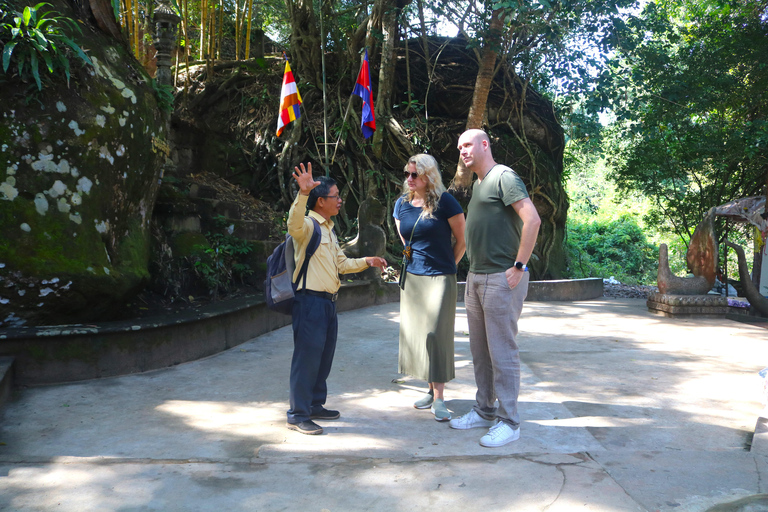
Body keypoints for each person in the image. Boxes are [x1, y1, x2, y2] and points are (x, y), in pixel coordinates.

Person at [448, 129, 541, 447]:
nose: (462, 151)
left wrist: (519, 266)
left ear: (485, 144)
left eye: (468, 144)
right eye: (459, 147)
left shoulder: (504, 177)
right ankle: (485, 410)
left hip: (501, 279)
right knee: (480, 352)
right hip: (476, 278)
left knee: (502, 352)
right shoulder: (477, 184)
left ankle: (509, 421)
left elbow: (533, 220)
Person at [286, 163, 388, 435]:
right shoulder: (308, 225)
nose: (340, 200)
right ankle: (298, 414)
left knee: (323, 357)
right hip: (310, 303)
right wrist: (302, 194)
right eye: (336, 196)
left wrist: (368, 260)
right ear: (321, 201)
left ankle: (315, 405)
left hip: (328, 303)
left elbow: (341, 264)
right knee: (307, 358)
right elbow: (292, 224)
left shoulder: (328, 228)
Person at [393, 154, 466, 421]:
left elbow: (461, 240)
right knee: (420, 335)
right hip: (413, 279)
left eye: (415, 174)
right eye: (407, 174)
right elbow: (406, 241)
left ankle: (440, 398)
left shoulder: (445, 202)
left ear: (428, 176)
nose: (409, 179)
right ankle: (429, 389)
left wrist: (449, 265)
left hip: (440, 277)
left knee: (436, 334)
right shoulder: (401, 204)